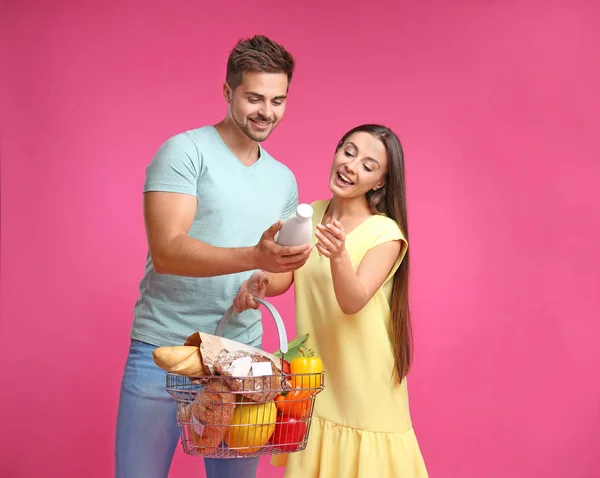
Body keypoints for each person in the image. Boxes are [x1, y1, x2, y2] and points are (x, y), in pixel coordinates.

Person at [114, 35, 312, 478]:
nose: (267, 111)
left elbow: (280, 273)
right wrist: (254, 254)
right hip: (165, 349)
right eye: (254, 98)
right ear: (228, 92)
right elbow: (167, 251)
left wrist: (265, 279)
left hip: (243, 358)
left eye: (278, 100)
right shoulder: (185, 152)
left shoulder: (283, 179)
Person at [234, 124, 429, 477]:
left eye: (369, 166)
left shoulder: (385, 234)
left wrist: (339, 255)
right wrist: (261, 279)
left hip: (365, 386)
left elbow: (353, 299)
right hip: (316, 381)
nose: (352, 166)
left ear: (380, 183)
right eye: (349, 152)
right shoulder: (311, 213)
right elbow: (288, 274)